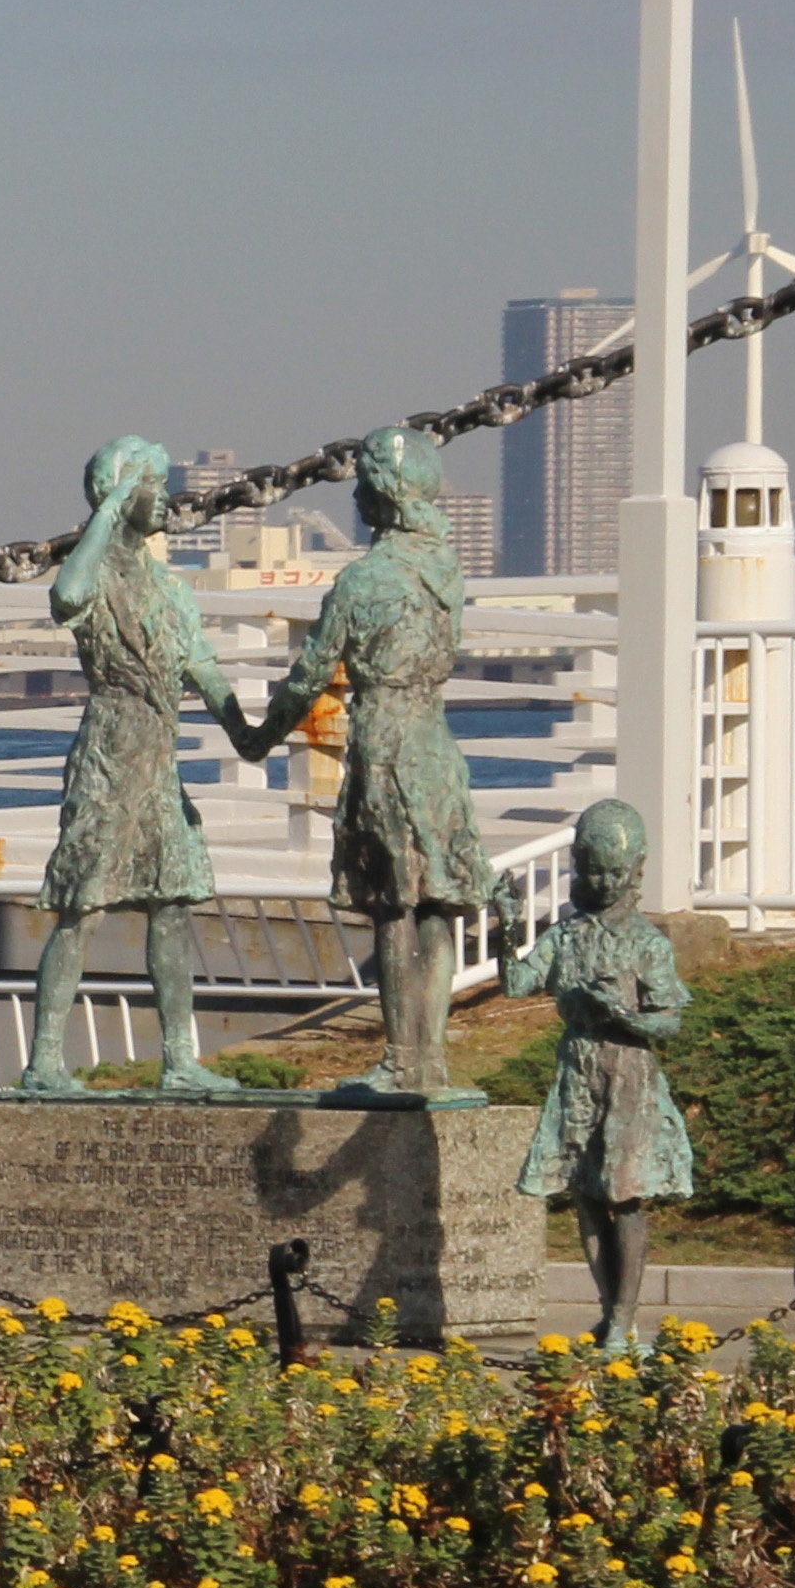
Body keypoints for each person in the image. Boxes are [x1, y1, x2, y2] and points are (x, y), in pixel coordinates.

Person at [240, 424, 491, 1103]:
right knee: (438, 902)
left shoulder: (365, 579)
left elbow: (310, 674)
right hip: (437, 745)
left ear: (381, 493)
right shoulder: (447, 571)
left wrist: (260, 739)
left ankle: (401, 1059)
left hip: (385, 742)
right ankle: (432, 1060)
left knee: (393, 906)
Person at [18, 436, 252, 1098]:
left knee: (173, 905)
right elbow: (66, 594)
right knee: (82, 908)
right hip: (109, 752)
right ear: (125, 496)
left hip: (160, 758)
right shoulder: (97, 577)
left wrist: (249, 731)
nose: (168, 499)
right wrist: (112, 504)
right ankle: (45, 1061)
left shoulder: (171, 591)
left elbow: (203, 669)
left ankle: (180, 1058)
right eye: (156, 486)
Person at [504, 798, 692, 1349]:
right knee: (585, 1194)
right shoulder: (567, 936)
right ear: (579, 869)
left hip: (628, 1073)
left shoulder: (647, 942)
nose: (604, 881)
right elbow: (517, 983)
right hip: (577, 1072)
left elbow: (670, 1021)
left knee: (625, 1195)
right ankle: (610, 1315)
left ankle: (626, 1320)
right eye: (593, 869)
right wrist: (507, 924)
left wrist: (625, 1015)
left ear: (636, 873)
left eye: (616, 872)